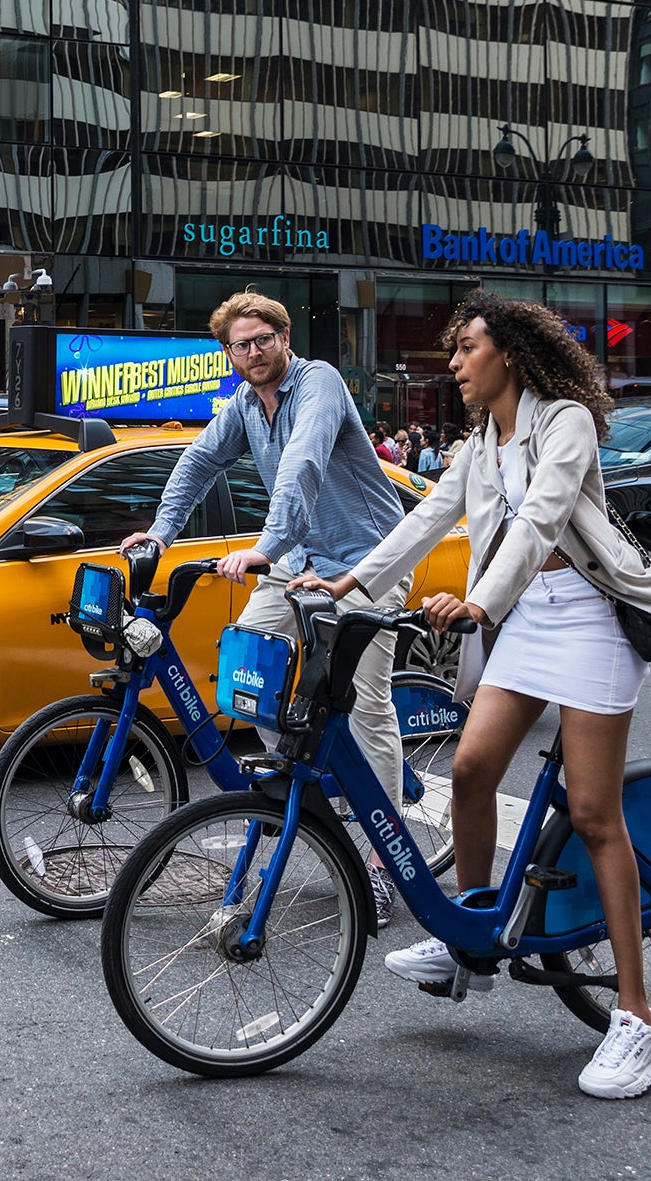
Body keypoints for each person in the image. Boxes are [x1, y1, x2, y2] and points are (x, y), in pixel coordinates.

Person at [294, 290, 651, 1100]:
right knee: (471, 770)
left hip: (589, 620)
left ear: (510, 357)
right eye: (453, 352)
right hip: (525, 623)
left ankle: (638, 1021)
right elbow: (425, 520)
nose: (453, 364)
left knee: (595, 817)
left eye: (467, 350)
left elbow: (541, 520)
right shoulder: (478, 443)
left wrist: (480, 603)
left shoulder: (564, 423)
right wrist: (349, 580)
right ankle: (472, 943)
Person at [117, 291, 414, 925]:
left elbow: (302, 463)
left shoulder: (320, 383)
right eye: (239, 345)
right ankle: (310, 793)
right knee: (248, 668)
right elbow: (200, 459)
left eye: (262, 340)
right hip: (301, 560)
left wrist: (264, 548)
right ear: (228, 353)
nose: (252, 353)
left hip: (368, 561)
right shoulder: (245, 404)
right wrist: (162, 533)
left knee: (365, 704)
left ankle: (385, 861)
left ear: (284, 338)